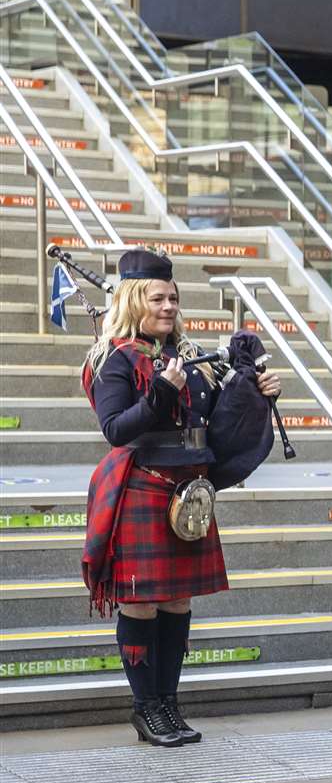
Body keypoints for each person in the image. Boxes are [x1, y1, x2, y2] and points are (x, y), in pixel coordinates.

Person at [81, 248, 281, 748]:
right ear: (133, 299)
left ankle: (169, 704)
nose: (168, 306)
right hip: (143, 487)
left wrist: (257, 392)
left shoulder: (188, 358)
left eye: (173, 297)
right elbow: (114, 429)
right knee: (143, 604)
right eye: (157, 298)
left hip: (188, 494)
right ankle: (146, 707)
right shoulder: (113, 360)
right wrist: (158, 396)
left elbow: (217, 419)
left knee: (177, 601)